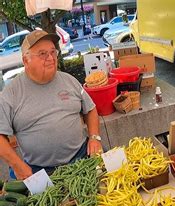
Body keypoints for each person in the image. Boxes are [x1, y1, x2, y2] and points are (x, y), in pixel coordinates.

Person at [0, 30, 103, 180]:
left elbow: (90, 109)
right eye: (42, 54)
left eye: (53, 52)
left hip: (82, 158)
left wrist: (94, 137)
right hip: (39, 172)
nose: (50, 58)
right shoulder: (10, 94)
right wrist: (17, 165)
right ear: (26, 60)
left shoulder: (69, 80)